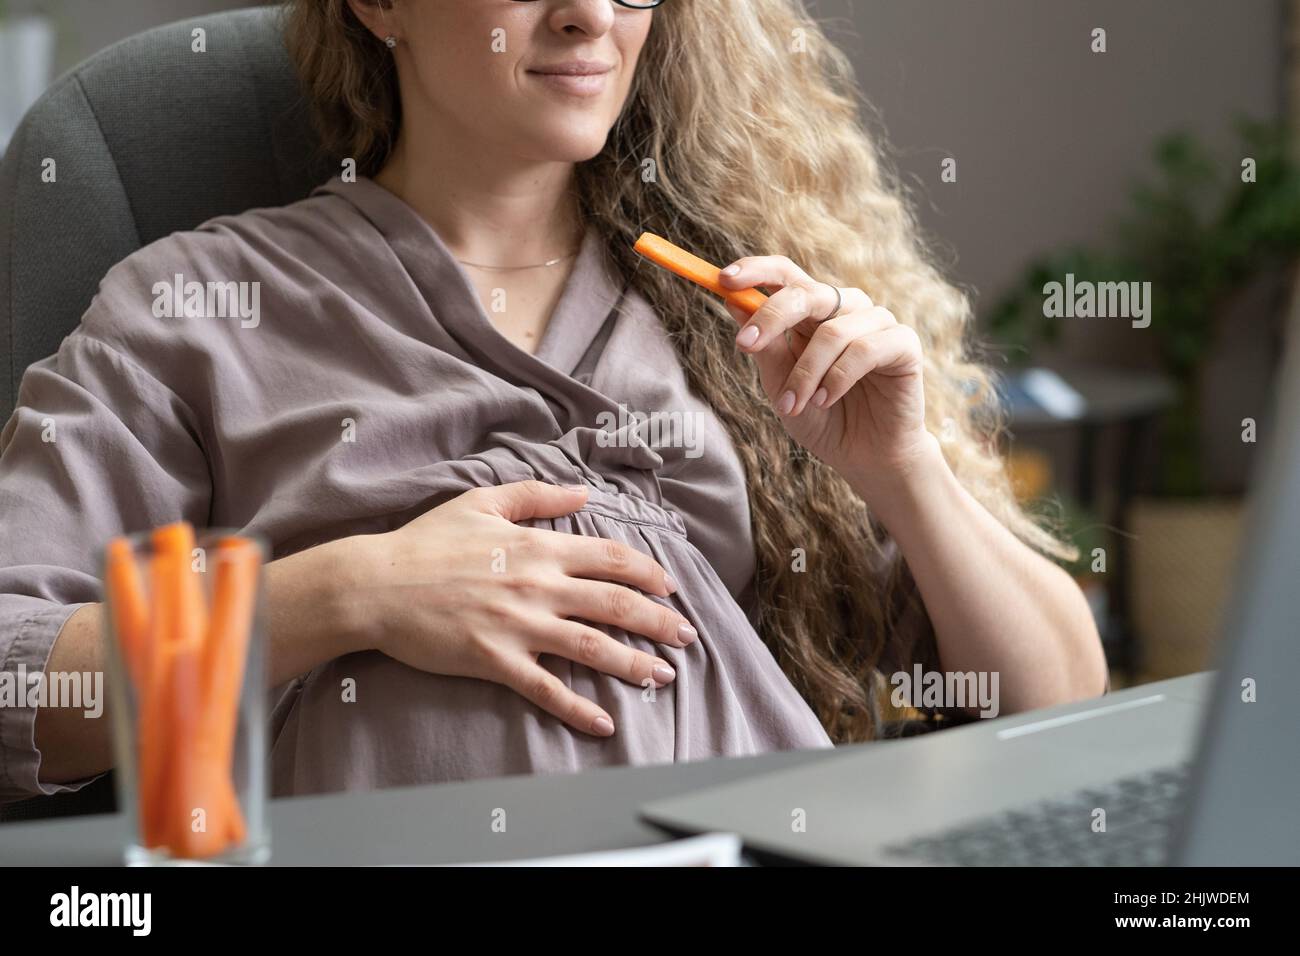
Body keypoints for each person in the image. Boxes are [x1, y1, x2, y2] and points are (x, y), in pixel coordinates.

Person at [0, 0, 1106, 803]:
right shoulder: (198, 305)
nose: (589, 15)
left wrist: (901, 470)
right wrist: (350, 591)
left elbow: (1059, 707)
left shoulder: (733, 319)